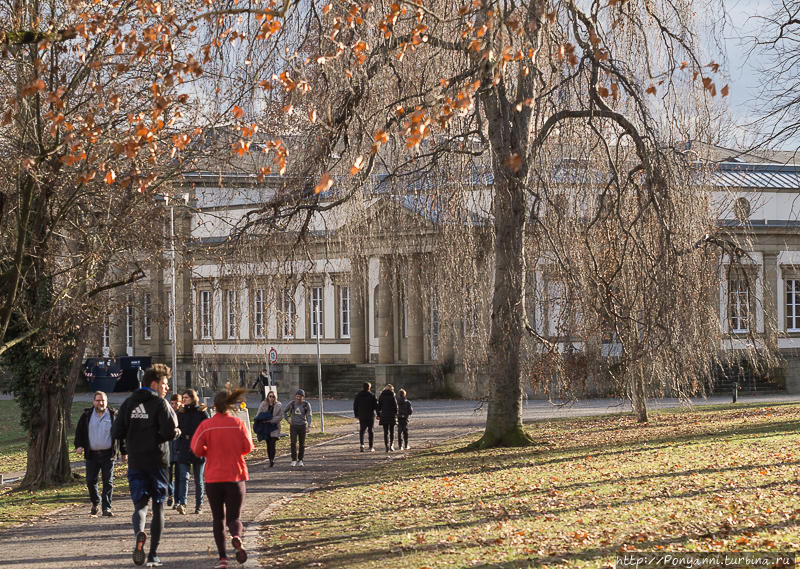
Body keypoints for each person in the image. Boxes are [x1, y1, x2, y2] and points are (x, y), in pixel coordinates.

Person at [112, 364, 181, 567]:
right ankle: (153, 555)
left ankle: (139, 533)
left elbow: (116, 432)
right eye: (165, 384)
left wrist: (130, 444)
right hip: (158, 462)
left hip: (136, 462)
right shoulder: (159, 404)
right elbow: (169, 432)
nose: (166, 388)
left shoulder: (128, 404)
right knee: (159, 505)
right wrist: (175, 433)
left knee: (140, 505)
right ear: (154, 384)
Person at [191, 387, 254, 569]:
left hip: (214, 477)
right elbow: (248, 447)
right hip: (235, 475)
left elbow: (196, 448)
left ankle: (223, 558)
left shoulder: (206, 425)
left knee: (218, 518)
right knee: (234, 517)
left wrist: (209, 451)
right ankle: (236, 537)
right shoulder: (238, 424)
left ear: (214, 406)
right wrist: (235, 451)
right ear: (230, 406)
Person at [74, 391, 126, 517]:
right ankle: (95, 502)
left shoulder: (114, 415)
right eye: (98, 400)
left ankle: (106, 507)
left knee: (108, 481)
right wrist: (79, 446)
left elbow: (122, 435)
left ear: (107, 402)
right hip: (91, 454)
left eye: (103, 400)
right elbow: (79, 432)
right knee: (91, 481)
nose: (100, 403)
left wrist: (124, 452)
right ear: (93, 402)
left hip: (108, 454)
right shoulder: (86, 416)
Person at [176, 389, 210, 515]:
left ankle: (199, 505)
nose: (184, 400)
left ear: (192, 398)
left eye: (186, 398)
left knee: (198, 479)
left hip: (198, 447)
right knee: (183, 477)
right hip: (184, 446)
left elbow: (207, 430)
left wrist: (205, 446)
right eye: (183, 398)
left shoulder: (201, 413)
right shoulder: (181, 413)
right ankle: (182, 503)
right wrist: (178, 446)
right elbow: (176, 429)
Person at [283, 389, 312, 467]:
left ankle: (301, 459)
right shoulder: (292, 403)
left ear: (303, 397)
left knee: (302, 444)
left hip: (302, 425)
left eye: (300, 397)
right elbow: (285, 411)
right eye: (297, 396)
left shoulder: (306, 404)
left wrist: (308, 426)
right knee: (293, 442)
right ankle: (293, 459)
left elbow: (309, 415)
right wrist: (288, 419)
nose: (298, 398)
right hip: (294, 426)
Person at [254, 391, 282, 467]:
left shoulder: (278, 405)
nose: (271, 398)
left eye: (273, 396)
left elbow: (280, 417)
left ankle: (272, 459)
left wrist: (270, 420)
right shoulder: (263, 405)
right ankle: (270, 459)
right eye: (270, 396)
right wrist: (264, 419)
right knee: (268, 444)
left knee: (272, 443)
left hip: (274, 426)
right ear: (267, 397)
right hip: (266, 427)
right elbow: (258, 415)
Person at [353, 382, 378, 452]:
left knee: (362, 430)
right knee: (371, 431)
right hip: (370, 415)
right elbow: (376, 406)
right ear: (369, 388)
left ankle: (362, 444)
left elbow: (355, 405)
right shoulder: (372, 395)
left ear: (362, 387)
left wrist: (356, 414)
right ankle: (370, 446)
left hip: (362, 415)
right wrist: (378, 414)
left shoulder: (358, 395)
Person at [167, 394, 182, 508]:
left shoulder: (182, 415)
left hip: (178, 450)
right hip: (167, 451)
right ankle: (170, 493)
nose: (174, 405)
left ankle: (177, 500)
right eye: (172, 403)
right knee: (168, 476)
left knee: (179, 476)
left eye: (176, 403)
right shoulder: (166, 415)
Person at [377, 384, 398, 452]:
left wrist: (379, 415)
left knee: (385, 431)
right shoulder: (392, 396)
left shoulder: (381, 396)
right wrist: (396, 414)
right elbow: (395, 407)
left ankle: (387, 446)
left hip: (384, 415)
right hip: (391, 415)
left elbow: (379, 407)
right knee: (392, 431)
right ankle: (392, 444)